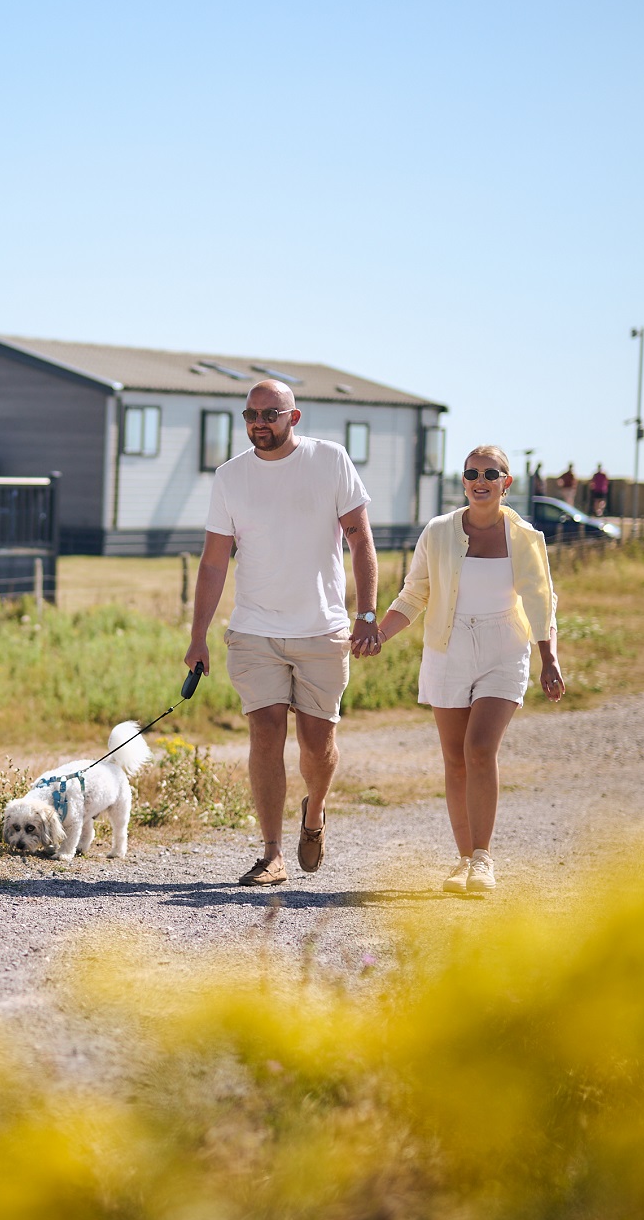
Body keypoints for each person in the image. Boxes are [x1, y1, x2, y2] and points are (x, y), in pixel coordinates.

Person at [185, 380, 380, 886]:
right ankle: (271, 853)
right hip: (254, 630)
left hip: (322, 629)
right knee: (265, 732)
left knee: (317, 744)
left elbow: (360, 542)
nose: (258, 423)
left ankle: (314, 811)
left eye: (270, 414)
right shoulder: (230, 477)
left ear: (294, 418)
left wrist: (367, 614)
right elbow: (212, 563)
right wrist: (198, 635)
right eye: (250, 414)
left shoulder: (330, 461)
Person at [373, 445, 564, 893]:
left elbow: (541, 601)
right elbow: (414, 593)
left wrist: (549, 658)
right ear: (463, 481)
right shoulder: (438, 531)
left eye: (490, 473)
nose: (480, 480)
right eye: (471, 473)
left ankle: (483, 860)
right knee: (455, 760)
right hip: (448, 644)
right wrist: (378, 634)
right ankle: (462, 861)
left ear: (506, 483)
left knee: (480, 748)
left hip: (504, 646)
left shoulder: (525, 538)